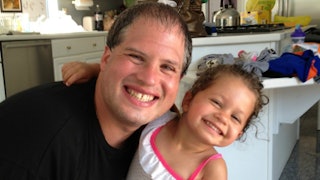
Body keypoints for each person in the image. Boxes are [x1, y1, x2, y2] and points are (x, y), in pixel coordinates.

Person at [0, 2, 192, 179]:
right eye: (136, 57)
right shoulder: (37, 142)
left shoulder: (162, 131)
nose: (149, 79)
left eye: (167, 67)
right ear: (106, 59)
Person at [61, 63, 268, 179]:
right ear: (188, 99)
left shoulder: (211, 169)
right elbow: (134, 83)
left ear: (239, 132)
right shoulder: (161, 117)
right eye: (216, 102)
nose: (222, 117)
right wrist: (95, 70)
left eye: (235, 118)